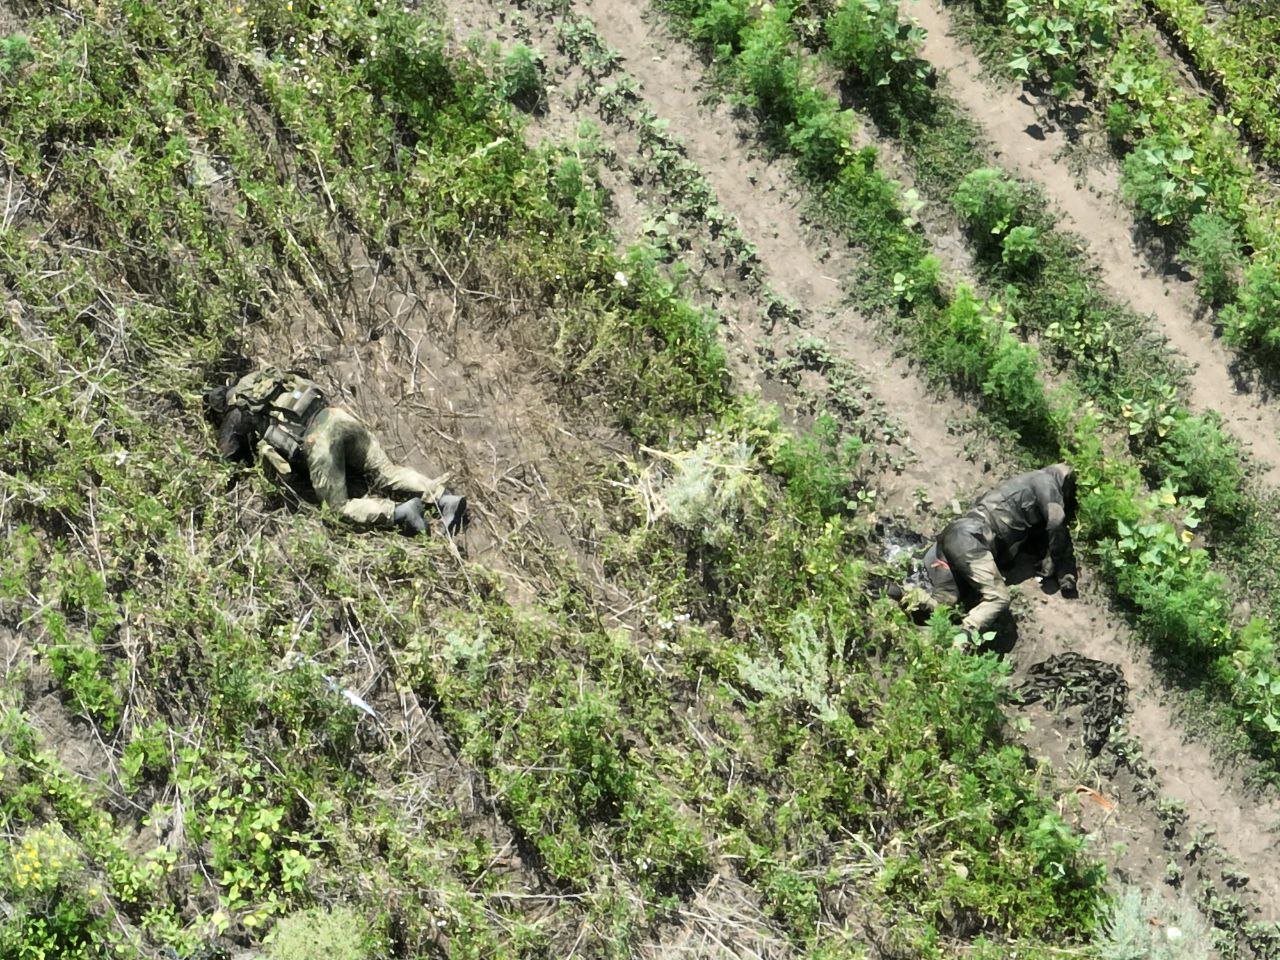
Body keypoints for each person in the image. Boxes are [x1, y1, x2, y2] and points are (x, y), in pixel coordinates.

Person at [205, 366, 466, 536]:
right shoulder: (268, 378)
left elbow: (228, 460)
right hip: (337, 417)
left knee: (337, 510)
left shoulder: (237, 412)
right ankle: (445, 499)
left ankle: (401, 513)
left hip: (319, 442)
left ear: (221, 406)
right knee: (387, 471)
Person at [924, 463, 1077, 641]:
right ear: (1064, 482)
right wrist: (1058, 560)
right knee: (999, 598)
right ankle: (962, 640)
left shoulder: (1023, 484)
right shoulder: (1047, 482)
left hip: (956, 534)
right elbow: (1056, 520)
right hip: (972, 539)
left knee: (944, 601)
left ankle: (903, 596)